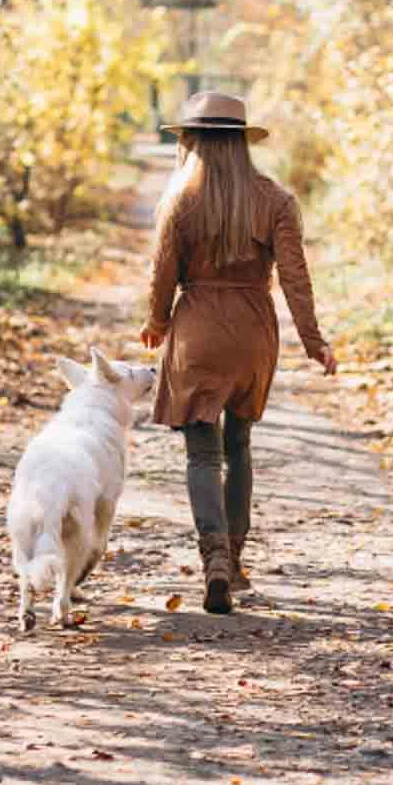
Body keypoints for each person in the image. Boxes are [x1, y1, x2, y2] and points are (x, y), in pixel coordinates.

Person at [140, 91, 337, 613]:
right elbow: (296, 279)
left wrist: (158, 322)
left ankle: (215, 561)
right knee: (240, 446)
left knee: (202, 453)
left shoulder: (180, 200)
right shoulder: (275, 200)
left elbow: (163, 276)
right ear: (242, 143)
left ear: (194, 142)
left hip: (198, 328)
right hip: (252, 330)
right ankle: (235, 557)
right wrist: (314, 342)